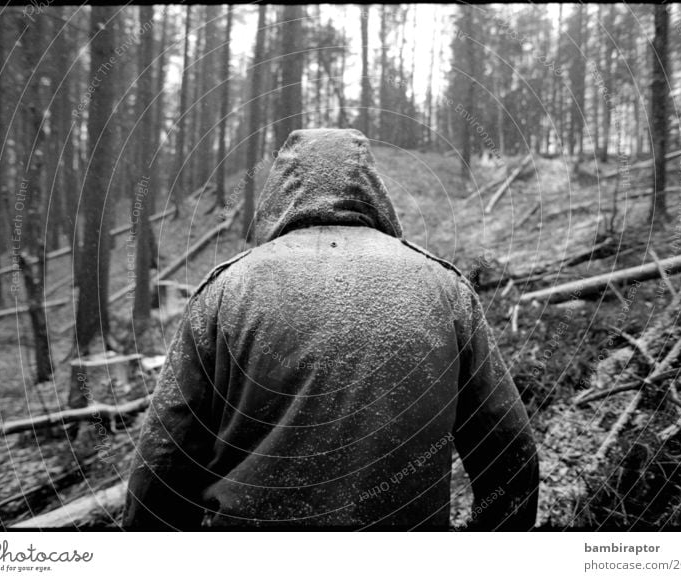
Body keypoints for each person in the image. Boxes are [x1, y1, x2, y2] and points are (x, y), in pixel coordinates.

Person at [123, 128, 539, 530]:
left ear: (280, 192)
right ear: (371, 190)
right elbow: (510, 450)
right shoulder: (446, 289)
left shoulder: (225, 292)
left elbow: (162, 464)